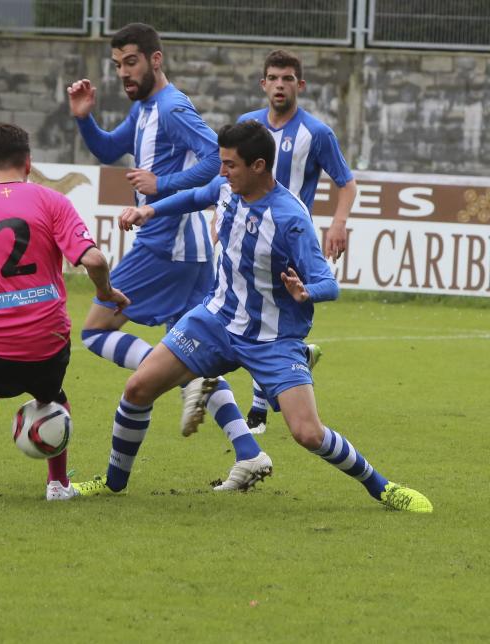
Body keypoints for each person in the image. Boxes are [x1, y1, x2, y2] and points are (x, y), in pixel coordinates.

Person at [72, 120, 432, 514]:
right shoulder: (226, 190)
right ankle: (113, 483)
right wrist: (149, 211)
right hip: (215, 320)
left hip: (273, 338)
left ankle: (383, 488)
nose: (222, 172)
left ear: (258, 166)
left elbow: (329, 283)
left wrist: (306, 291)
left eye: (230, 165)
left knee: (308, 433)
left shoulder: (290, 218)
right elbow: (195, 195)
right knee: (138, 389)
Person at [0, 123, 129, 502]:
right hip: (47, 339)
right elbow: (96, 259)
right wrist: (107, 292)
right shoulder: (52, 201)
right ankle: (57, 484)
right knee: (52, 396)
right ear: (29, 163)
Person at [67, 22, 223, 434]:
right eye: (117, 64)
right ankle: (248, 453)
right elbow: (106, 148)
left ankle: (183, 375)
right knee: (191, 349)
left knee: (95, 331)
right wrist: (85, 119)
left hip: (165, 244)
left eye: (131, 62)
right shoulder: (143, 109)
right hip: (189, 250)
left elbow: (216, 159)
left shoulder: (172, 108)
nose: (123, 72)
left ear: (156, 60)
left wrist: (161, 185)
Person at [237, 49, 358, 434]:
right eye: (273, 77)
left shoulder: (316, 133)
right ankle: (297, 361)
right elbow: (226, 177)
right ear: (263, 83)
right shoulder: (247, 127)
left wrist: (338, 224)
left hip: (289, 241)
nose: (279, 84)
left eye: (287, 78)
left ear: (299, 85)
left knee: (268, 317)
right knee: (250, 315)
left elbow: (346, 182)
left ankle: (258, 408)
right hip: (248, 233)